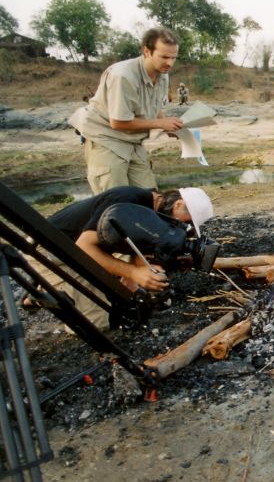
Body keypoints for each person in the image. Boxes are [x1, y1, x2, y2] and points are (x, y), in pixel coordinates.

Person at [25, 186, 214, 332]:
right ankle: (43, 288)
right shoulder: (125, 199)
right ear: (179, 204)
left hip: (91, 247)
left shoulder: (154, 208)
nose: (183, 228)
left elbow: (142, 247)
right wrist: (133, 272)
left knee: (128, 295)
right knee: (99, 322)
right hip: (52, 250)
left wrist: (167, 264)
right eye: (186, 222)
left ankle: (64, 285)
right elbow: (83, 247)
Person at [68, 27, 184, 195]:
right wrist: (160, 123)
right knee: (116, 202)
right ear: (147, 51)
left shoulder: (163, 75)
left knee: (150, 197)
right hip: (106, 138)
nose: (170, 63)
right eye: (164, 57)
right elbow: (118, 122)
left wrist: (167, 125)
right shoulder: (123, 76)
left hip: (133, 141)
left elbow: (155, 106)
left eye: (174, 57)